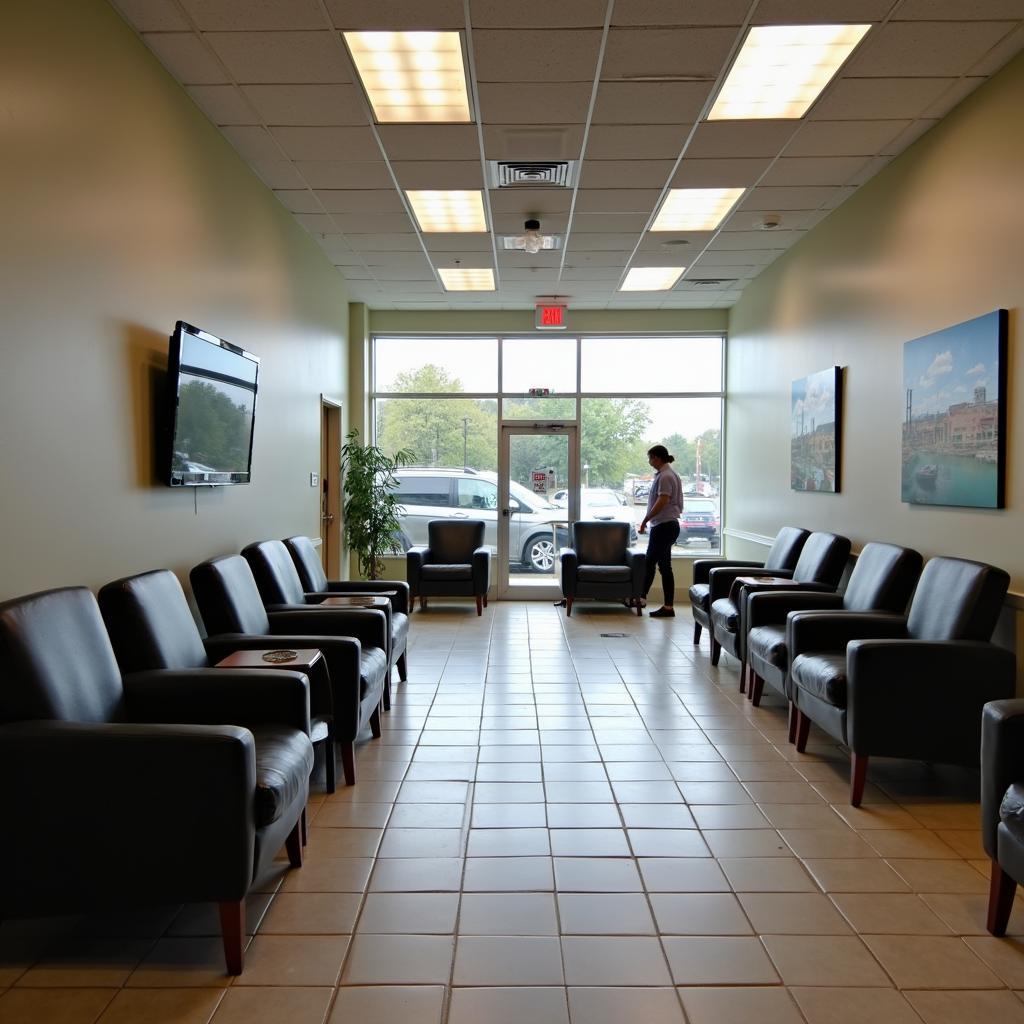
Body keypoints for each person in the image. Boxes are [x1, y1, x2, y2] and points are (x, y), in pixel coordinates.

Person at [638, 444, 683, 617]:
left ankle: (641, 598)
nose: (649, 462)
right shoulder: (670, 474)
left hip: (664, 525)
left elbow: (662, 500)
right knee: (664, 566)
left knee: (650, 562)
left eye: (650, 458)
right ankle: (668, 606)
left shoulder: (665, 476)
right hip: (668, 525)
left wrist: (645, 520)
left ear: (657, 457)